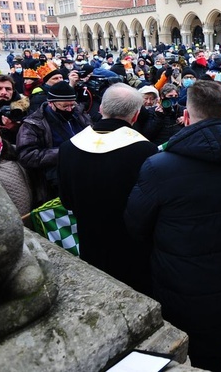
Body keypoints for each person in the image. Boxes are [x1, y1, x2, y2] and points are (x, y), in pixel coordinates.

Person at [125, 80, 221, 372]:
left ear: (187, 118)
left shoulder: (159, 167)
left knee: (207, 357)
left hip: (191, 289)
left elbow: (135, 225)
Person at [58, 84, 157, 295]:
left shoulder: (68, 147)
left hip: (89, 238)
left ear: (101, 108)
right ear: (136, 115)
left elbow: (66, 200)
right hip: (131, 246)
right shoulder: (145, 150)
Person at [17, 81, 92, 203]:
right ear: (51, 103)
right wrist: (65, 151)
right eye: (64, 106)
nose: (69, 109)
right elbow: (27, 156)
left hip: (86, 172)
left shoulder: (78, 113)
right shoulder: (33, 124)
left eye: (72, 105)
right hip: (57, 182)